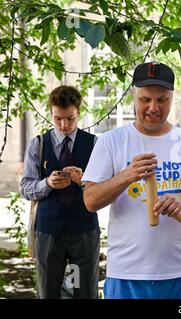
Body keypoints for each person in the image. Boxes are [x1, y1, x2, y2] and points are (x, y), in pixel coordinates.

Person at [82, 61, 181, 299]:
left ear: (171, 98)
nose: (153, 107)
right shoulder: (111, 141)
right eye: (145, 99)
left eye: (162, 100)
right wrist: (127, 175)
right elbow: (90, 200)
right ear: (134, 96)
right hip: (127, 275)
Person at [20, 85, 100, 299]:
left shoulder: (95, 144)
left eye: (70, 119)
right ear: (51, 113)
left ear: (79, 113)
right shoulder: (38, 144)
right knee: (48, 293)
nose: (64, 125)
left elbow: (105, 189)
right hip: (48, 231)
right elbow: (26, 188)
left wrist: (84, 181)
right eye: (58, 119)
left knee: (85, 293)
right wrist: (47, 183)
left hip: (84, 229)